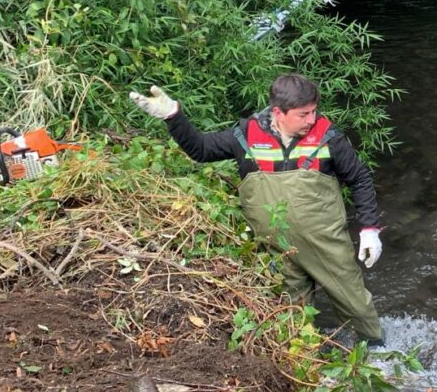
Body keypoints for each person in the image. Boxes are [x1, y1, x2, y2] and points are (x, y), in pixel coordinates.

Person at [130, 73, 385, 345]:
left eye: (313, 111)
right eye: (303, 114)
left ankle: (378, 352)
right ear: (278, 112)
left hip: (327, 244)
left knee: (357, 308)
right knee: (291, 320)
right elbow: (201, 150)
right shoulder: (246, 136)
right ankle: (307, 358)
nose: (312, 119)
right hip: (277, 248)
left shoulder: (328, 137)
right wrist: (173, 116)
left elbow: (359, 178)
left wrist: (369, 229)